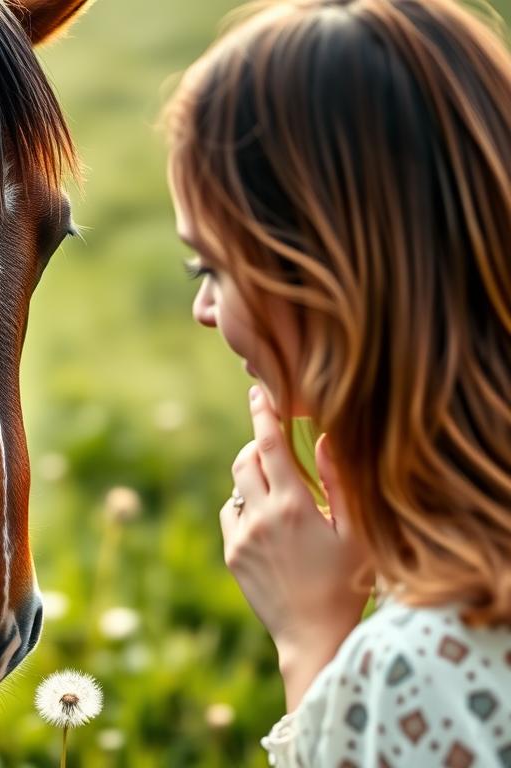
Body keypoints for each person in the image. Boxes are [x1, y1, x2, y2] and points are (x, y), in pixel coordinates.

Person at [165, 0, 511, 765]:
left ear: (326, 276)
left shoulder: (415, 669)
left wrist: (312, 644)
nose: (202, 310)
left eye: (212, 266)